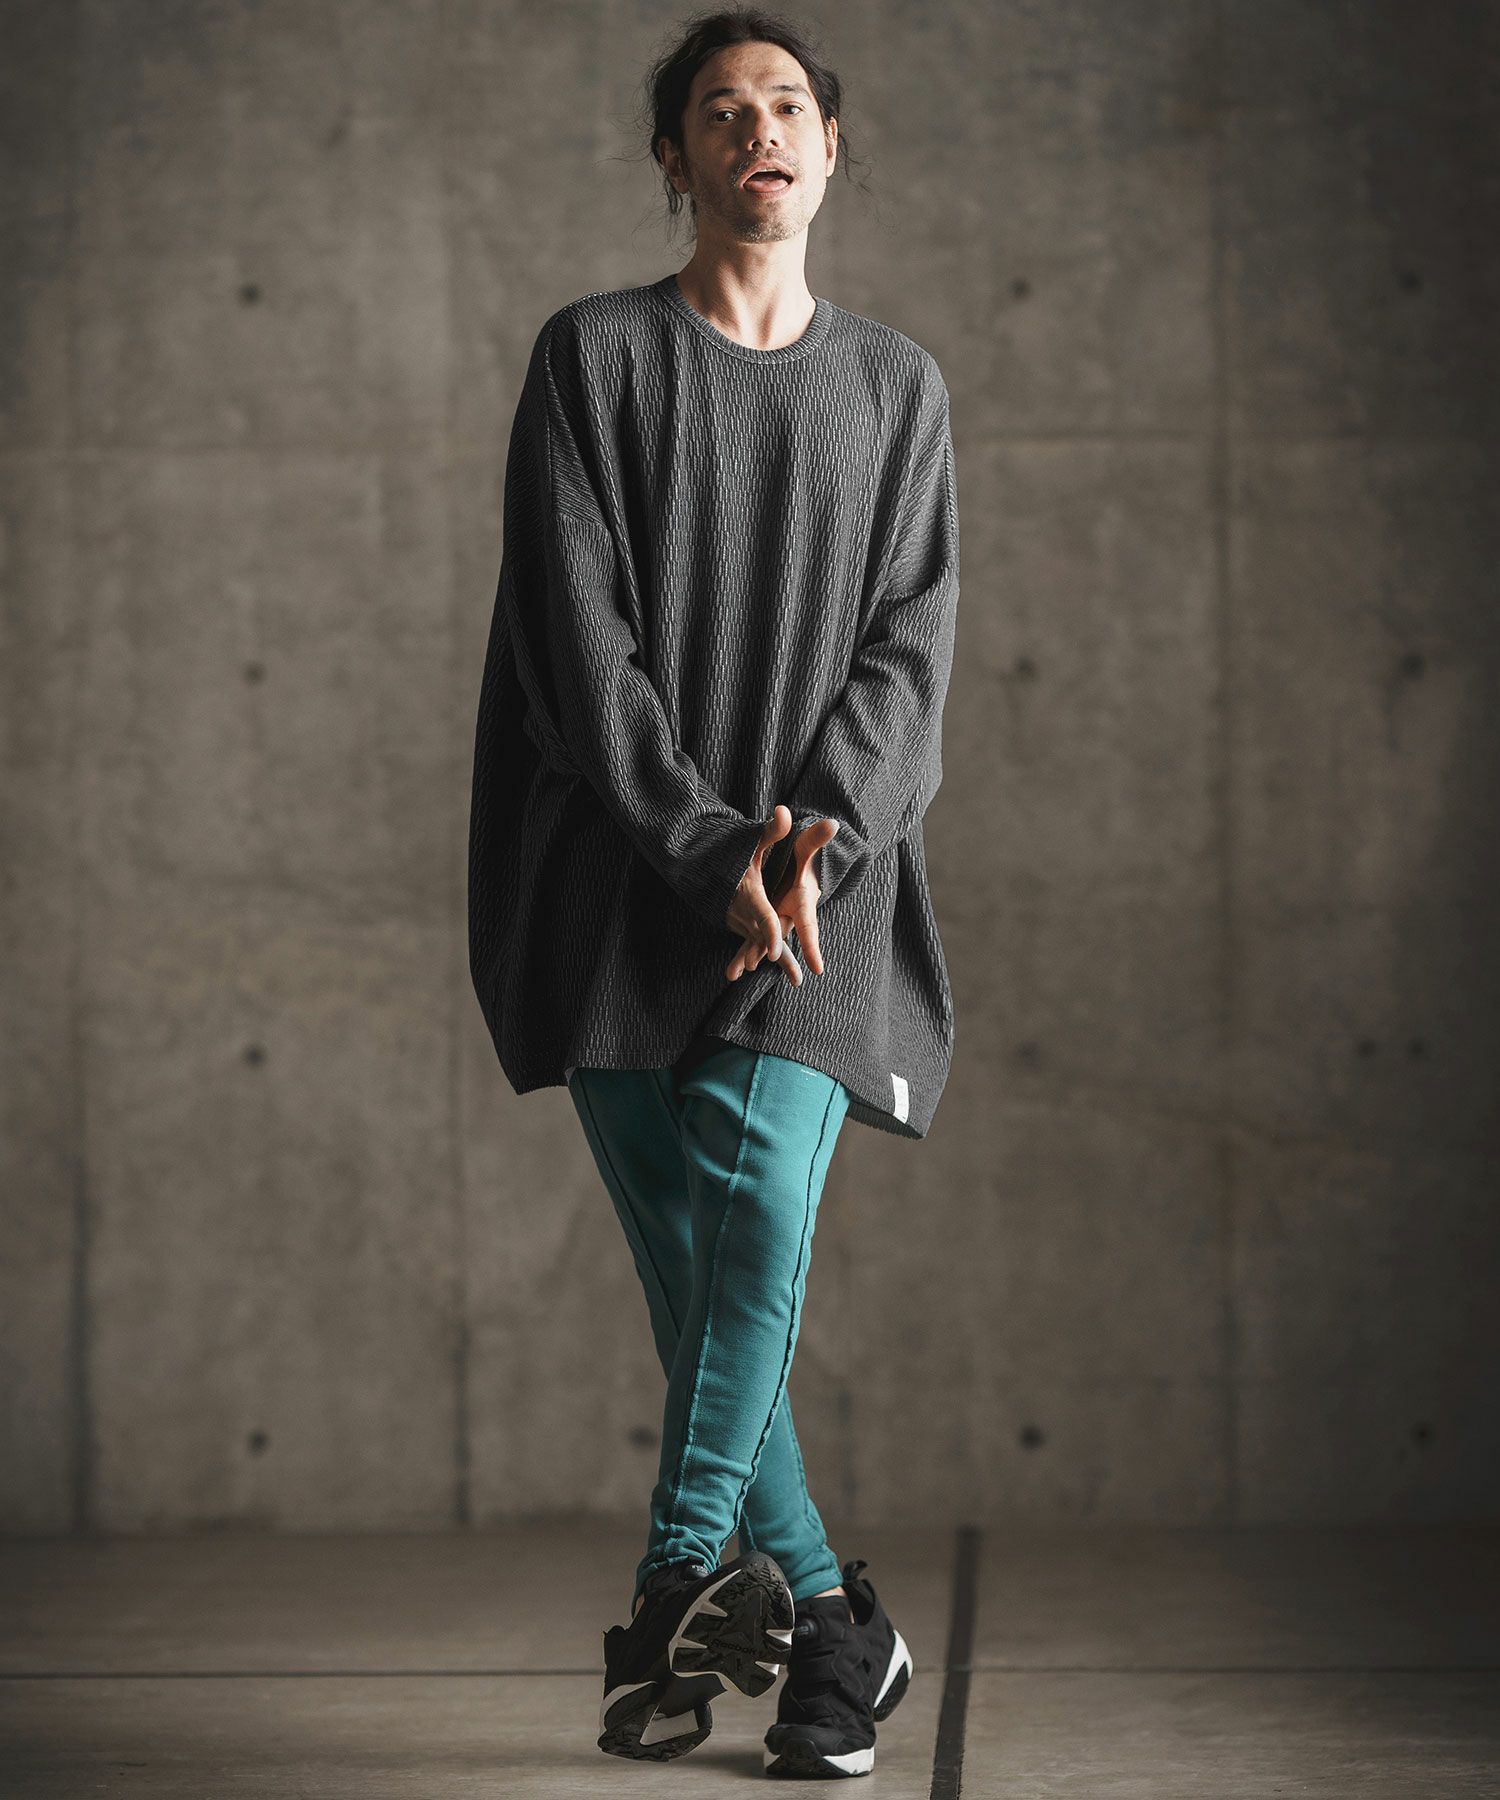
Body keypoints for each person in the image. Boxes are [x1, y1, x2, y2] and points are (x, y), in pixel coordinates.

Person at [466, 7, 956, 1778]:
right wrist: (703, 846)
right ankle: (832, 1626)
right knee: (693, 1276)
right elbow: (575, 648)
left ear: (831, 149)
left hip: (822, 891)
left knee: (749, 1225)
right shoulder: (590, 358)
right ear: (671, 155)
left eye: (790, 107)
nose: (761, 131)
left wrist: (800, 843)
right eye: (722, 110)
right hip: (615, 873)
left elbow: (910, 654)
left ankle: (675, 1582)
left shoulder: (899, 388)